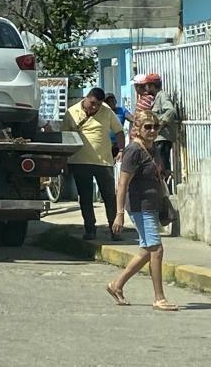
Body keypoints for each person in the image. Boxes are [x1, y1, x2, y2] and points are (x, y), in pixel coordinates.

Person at [109, 110, 178, 311]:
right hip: (140, 206)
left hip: (153, 204)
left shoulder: (153, 148)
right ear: (137, 129)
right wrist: (119, 213)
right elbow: (122, 184)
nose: (152, 130)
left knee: (147, 251)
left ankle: (116, 285)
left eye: (155, 127)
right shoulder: (133, 151)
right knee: (156, 249)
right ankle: (159, 298)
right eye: (147, 126)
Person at [62, 87, 125, 241]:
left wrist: (122, 150)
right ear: (86, 98)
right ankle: (90, 230)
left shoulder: (107, 111)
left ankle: (114, 230)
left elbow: (119, 131)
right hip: (79, 161)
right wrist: (64, 160)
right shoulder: (71, 112)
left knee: (110, 197)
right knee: (85, 197)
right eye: (92, 103)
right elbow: (64, 136)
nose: (95, 107)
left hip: (103, 162)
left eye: (98, 104)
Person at [145, 73, 177, 182]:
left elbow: (171, 110)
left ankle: (166, 190)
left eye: (147, 85)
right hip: (158, 138)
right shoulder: (156, 98)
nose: (146, 88)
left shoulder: (162, 96)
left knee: (163, 164)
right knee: (159, 164)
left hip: (163, 138)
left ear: (152, 86)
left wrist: (161, 123)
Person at [105, 93, 133, 158]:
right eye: (108, 101)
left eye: (112, 101)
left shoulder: (121, 110)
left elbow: (132, 119)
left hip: (118, 144)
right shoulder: (103, 112)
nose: (111, 103)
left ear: (115, 101)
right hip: (106, 144)